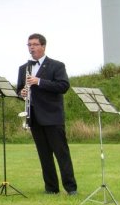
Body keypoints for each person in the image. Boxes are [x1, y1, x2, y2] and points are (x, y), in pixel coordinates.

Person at [18, 33, 76, 195]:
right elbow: (19, 90)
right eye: (29, 45)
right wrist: (21, 93)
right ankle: (51, 188)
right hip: (34, 117)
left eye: (35, 44)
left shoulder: (57, 66)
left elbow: (63, 86)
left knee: (61, 154)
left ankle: (71, 188)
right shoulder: (23, 68)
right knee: (44, 155)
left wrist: (39, 81)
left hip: (52, 116)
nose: (31, 48)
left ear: (43, 46)